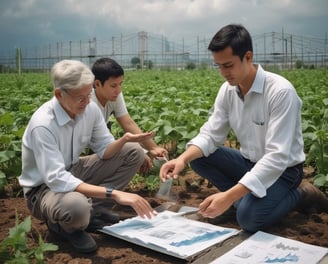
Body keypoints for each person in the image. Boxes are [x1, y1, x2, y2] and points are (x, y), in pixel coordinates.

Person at [160, 24, 328, 233]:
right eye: (219, 66)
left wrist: (230, 196)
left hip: (284, 171)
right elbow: (212, 134)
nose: (223, 73)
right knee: (199, 157)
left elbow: (276, 157)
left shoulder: (280, 92)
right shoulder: (228, 90)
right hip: (248, 163)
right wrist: (182, 159)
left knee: (248, 219)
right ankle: (242, 200)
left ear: (248, 57)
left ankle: (301, 194)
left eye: (228, 65)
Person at [18, 59, 157, 253]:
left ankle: (92, 212)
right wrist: (114, 193)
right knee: (76, 206)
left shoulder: (88, 108)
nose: (87, 102)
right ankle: (66, 227)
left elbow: (105, 148)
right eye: (80, 98)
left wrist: (125, 139)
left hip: (74, 169)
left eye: (88, 94)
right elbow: (57, 179)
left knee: (133, 151)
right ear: (59, 94)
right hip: (43, 189)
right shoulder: (43, 125)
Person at [91, 58, 168, 174]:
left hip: (101, 129)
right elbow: (99, 142)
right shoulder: (87, 102)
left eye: (120, 84)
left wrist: (153, 148)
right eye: (113, 86)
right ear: (97, 84)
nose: (118, 90)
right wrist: (141, 153)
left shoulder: (115, 94)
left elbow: (127, 122)